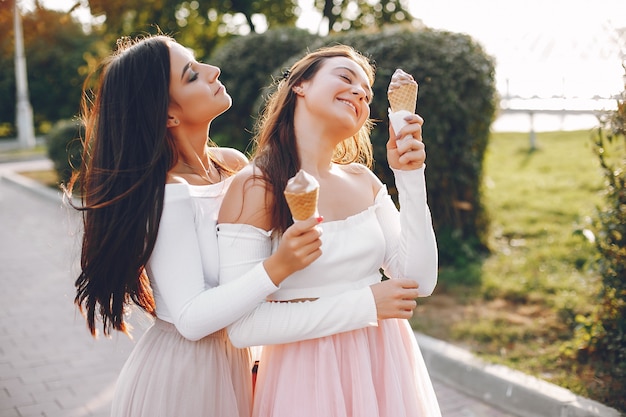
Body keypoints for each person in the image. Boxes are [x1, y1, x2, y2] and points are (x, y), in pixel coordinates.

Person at [69, 35, 422, 417]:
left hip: (241, 362)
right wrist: (279, 267)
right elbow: (191, 319)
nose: (213, 70)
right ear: (169, 114)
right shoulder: (169, 193)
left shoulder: (232, 165)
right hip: (188, 373)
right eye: (192, 75)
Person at [217, 45, 441, 416]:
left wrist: (410, 177)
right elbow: (243, 327)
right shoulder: (257, 186)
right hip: (308, 378)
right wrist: (365, 304)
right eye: (345, 77)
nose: (359, 92)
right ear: (300, 85)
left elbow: (419, 280)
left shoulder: (363, 180)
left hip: (386, 365)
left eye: (367, 94)